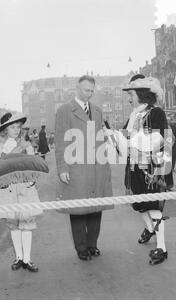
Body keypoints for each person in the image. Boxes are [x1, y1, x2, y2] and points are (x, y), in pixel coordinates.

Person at [55, 75, 113, 261]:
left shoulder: (97, 111)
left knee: (96, 207)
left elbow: (100, 137)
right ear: (77, 89)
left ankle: (92, 244)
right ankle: (81, 248)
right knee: (78, 208)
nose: (89, 94)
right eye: (86, 90)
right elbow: (60, 142)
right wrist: (62, 168)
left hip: (97, 165)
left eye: (92, 91)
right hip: (76, 167)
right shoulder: (64, 110)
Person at [117, 74, 172, 265]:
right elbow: (123, 141)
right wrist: (114, 137)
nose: (129, 98)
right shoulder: (133, 115)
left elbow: (158, 140)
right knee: (138, 204)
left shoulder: (156, 113)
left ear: (141, 94)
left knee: (154, 209)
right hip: (133, 169)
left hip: (152, 169)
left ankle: (162, 248)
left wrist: (131, 139)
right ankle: (150, 229)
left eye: (131, 94)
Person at [0, 112, 43, 272]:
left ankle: (27, 258)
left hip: (25, 190)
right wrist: (2, 154)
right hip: (8, 191)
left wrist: (32, 177)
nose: (16, 130)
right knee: (13, 225)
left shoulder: (27, 145)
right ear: (5, 130)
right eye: (12, 127)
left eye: (18, 127)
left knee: (27, 224)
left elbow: (34, 165)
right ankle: (19, 257)